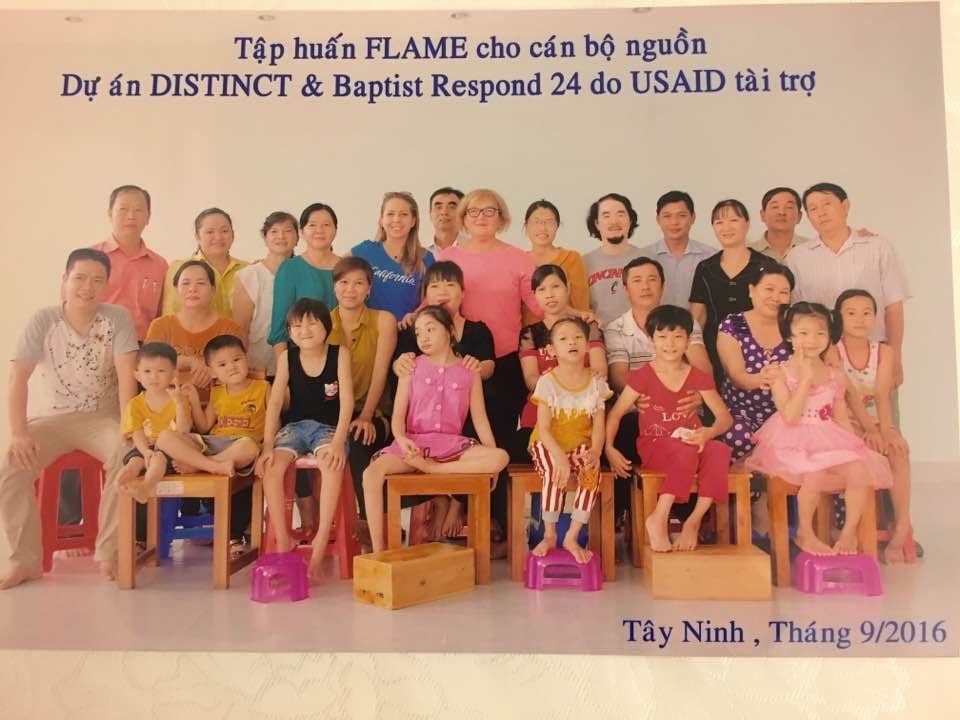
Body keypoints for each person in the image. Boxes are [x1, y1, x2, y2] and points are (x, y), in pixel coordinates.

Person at [0, 249, 138, 588]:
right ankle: (24, 560)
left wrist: (128, 426)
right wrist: (18, 432)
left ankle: (109, 551)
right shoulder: (43, 320)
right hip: (53, 418)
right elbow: (18, 378)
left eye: (97, 280)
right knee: (11, 468)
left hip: (102, 417)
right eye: (79, 278)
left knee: (125, 455)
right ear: (64, 280)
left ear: (107, 285)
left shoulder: (117, 318)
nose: (87, 287)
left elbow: (127, 376)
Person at [745, 302, 893, 556]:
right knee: (814, 471)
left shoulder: (835, 375)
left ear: (829, 337)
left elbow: (840, 417)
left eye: (820, 333)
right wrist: (805, 379)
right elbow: (790, 416)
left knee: (859, 469)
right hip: (791, 440)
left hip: (826, 436)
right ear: (790, 336)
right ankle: (805, 532)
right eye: (803, 333)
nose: (812, 340)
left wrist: (854, 446)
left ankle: (848, 533)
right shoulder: (780, 372)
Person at [439, 189, 542, 545]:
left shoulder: (518, 258)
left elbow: (538, 303)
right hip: (457, 360)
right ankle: (461, 503)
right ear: (463, 218)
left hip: (505, 362)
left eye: (489, 211)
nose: (481, 217)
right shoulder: (449, 256)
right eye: (473, 211)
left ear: (501, 217)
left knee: (496, 440)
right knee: (460, 436)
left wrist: (574, 313)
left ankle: (494, 520)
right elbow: (433, 300)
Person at [361, 305, 508, 554]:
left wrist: (492, 465)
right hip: (413, 445)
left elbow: (480, 420)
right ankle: (378, 552)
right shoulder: (411, 367)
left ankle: (434, 469)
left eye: (430, 329)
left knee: (500, 457)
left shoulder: (469, 371)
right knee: (370, 475)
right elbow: (398, 416)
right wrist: (401, 439)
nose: (423, 338)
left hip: (451, 447)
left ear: (449, 331)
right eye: (419, 332)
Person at [605, 305, 733, 552]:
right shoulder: (642, 376)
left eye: (677, 337)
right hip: (656, 447)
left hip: (692, 443)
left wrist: (708, 432)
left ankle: (693, 521)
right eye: (662, 336)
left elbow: (724, 418)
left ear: (688, 341)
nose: (670, 344)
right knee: (685, 451)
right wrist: (609, 448)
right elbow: (616, 413)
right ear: (651, 340)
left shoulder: (698, 376)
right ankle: (659, 517)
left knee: (719, 450)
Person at [392, 260, 496, 539]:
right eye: (435, 285)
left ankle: (457, 501)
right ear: (425, 293)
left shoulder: (477, 330)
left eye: (450, 284)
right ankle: (439, 496)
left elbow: (489, 367)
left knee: (480, 422)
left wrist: (472, 367)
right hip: (422, 423)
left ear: (463, 292)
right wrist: (400, 363)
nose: (442, 291)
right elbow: (402, 366)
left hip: (464, 413)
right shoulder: (414, 328)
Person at [256, 299, 353, 579]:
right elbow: (275, 403)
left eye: (312, 323)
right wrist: (267, 445)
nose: (305, 330)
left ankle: (322, 538)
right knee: (271, 468)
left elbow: (347, 402)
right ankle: (283, 537)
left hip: (328, 429)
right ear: (289, 331)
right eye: (296, 325)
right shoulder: (287, 357)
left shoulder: (339, 354)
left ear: (326, 327)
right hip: (295, 428)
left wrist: (338, 443)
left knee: (331, 465)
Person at [786, 182, 909, 386]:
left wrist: (895, 358)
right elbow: (795, 315)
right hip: (821, 361)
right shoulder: (798, 257)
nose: (821, 213)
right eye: (813, 209)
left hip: (874, 358)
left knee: (881, 407)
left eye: (827, 204)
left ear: (845, 206)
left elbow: (893, 306)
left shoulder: (877, 247)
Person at [155, 335, 266, 545]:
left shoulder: (263, 387)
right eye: (222, 364)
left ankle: (200, 466)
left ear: (247, 358)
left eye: (236, 360)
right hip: (213, 443)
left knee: (250, 446)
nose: (231, 367)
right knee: (164, 437)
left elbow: (274, 422)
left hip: (240, 444)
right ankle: (211, 465)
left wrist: (267, 449)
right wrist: (195, 400)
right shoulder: (217, 392)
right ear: (212, 371)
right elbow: (205, 426)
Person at [833, 289, 914, 563]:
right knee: (865, 449)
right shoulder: (833, 351)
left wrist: (887, 431)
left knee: (898, 450)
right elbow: (849, 397)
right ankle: (853, 528)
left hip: (877, 421)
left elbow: (881, 396)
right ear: (839, 317)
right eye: (851, 313)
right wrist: (869, 430)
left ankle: (902, 524)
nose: (860, 319)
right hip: (845, 422)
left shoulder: (884, 352)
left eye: (867, 313)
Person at [528, 317, 612, 563]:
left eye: (577, 338)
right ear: (551, 350)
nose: (572, 342)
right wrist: (559, 458)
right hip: (548, 443)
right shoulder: (547, 382)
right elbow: (544, 429)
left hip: (581, 444)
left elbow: (599, 425)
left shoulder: (596, 383)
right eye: (563, 339)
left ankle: (572, 535)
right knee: (554, 471)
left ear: (587, 345)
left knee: (591, 473)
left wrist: (596, 452)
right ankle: (550, 534)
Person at [326, 258, 397, 544]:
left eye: (358, 283)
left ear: (369, 288)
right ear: (334, 287)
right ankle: (317, 524)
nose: (350, 289)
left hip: (374, 412)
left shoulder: (384, 320)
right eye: (343, 282)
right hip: (333, 413)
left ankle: (369, 521)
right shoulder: (322, 323)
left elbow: (380, 373)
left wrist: (366, 415)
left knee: (358, 437)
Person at [516, 265, 606, 456]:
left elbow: (600, 372)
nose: (549, 295)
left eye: (555, 286)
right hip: (541, 414)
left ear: (567, 287)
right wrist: (560, 386)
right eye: (541, 289)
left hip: (583, 412)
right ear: (535, 295)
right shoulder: (530, 333)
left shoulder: (588, 327)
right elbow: (531, 380)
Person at [716, 264, 795, 460]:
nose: (776, 297)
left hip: (787, 411)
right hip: (741, 412)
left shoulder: (794, 326)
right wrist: (767, 378)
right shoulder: (735, 324)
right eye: (769, 289)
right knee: (738, 437)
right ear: (751, 290)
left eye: (784, 292)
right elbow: (737, 377)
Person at [689, 199, 771, 384]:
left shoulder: (765, 265)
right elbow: (698, 317)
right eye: (719, 222)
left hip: (758, 348)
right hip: (713, 350)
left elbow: (776, 311)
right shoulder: (705, 268)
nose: (726, 227)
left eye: (734, 220)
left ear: (747, 224)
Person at [146, 261, 243, 390]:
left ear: (213, 290)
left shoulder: (229, 328)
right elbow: (149, 365)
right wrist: (189, 361)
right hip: (169, 401)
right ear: (176, 289)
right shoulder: (161, 326)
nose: (192, 289)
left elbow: (238, 368)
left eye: (201, 283)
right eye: (186, 283)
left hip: (219, 401)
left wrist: (208, 369)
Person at [116, 342, 193, 503]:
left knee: (157, 458)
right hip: (145, 448)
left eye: (161, 371)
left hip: (171, 451)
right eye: (147, 371)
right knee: (133, 463)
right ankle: (120, 485)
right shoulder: (135, 404)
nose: (154, 377)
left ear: (174, 374)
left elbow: (183, 431)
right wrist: (145, 451)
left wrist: (179, 404)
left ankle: (145, 488)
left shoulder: (179, 399)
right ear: (137, 375)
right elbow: (137, 432)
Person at [92, 184, 168, 342]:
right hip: (96, 343)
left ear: (148, 217)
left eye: (138, 210)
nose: (131, 216)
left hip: (143, 348)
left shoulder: (160, 265)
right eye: (123, 209)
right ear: (110, 214)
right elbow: (72, 308)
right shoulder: (91, 258)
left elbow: (163, 316)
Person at [232, 211, 299, 377]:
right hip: (258, 367)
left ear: (298, 237)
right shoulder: (249, 275)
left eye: (288, 231)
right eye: (274, 231)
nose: (281, 236)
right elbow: (241, 328)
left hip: (299, 364)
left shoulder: (304, 273)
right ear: (265, 237)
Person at [268, 202, 340, 353]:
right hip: (301, 358)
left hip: (344, 355)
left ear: (335, 230)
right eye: (312, 225)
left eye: (326, 225)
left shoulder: (347, 268)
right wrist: (284, 364)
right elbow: (280, 329)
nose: (319, 230)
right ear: (301, 232)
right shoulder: (289, 269)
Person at [351, 192, 434, 320]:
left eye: (403, 214)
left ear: (413, 221)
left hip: (408, 330)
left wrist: (416, 315)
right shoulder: (366, 250)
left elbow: (432, 298)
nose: (396, 219)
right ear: (381, 220)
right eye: (390, 214)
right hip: (369, 329)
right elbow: (337, 271)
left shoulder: (426, 258)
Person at [163, 208, 248, 318]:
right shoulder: (179, 268)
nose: (218, 237)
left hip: (238, 330)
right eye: (210, 232)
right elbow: (170, 313)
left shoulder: (247, 270)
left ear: (233, 235)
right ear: (197, 237)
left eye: (224, 231)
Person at [638, 191, 714, 308]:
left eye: (682, 216)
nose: (674, 222)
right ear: (658, 219)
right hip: (655, 320)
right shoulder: (645, 257)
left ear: (693, 217)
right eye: (667, 216)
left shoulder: (711, 257)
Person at [522, 199, 589, 325]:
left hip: (566, 332)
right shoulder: (518, 261)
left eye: (549, 222)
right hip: (528, 334)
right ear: (526, 226)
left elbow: (582, 307)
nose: (542, 228)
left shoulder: (572, 258)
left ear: (557, 226)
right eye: (536, 222)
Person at [583, 192, 645, 326]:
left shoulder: (647, 259)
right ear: (597, 223)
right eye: (606, 215)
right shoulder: (583, 263)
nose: (614, 221)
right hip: (598, 336)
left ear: (630, 220)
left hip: (641, 335)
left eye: (620, 214)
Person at [749, 187, 812, 262]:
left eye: (789, 207)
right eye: (775, 207)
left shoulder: (813, 249)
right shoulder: (747, 252)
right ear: (763, 215)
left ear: (799, 216)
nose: (781, 212)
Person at [425, 186, 464, 255]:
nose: (444, 212)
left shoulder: (474, 248)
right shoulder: (419, 250)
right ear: (430, 214)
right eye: (438, 207)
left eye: (451, 207)